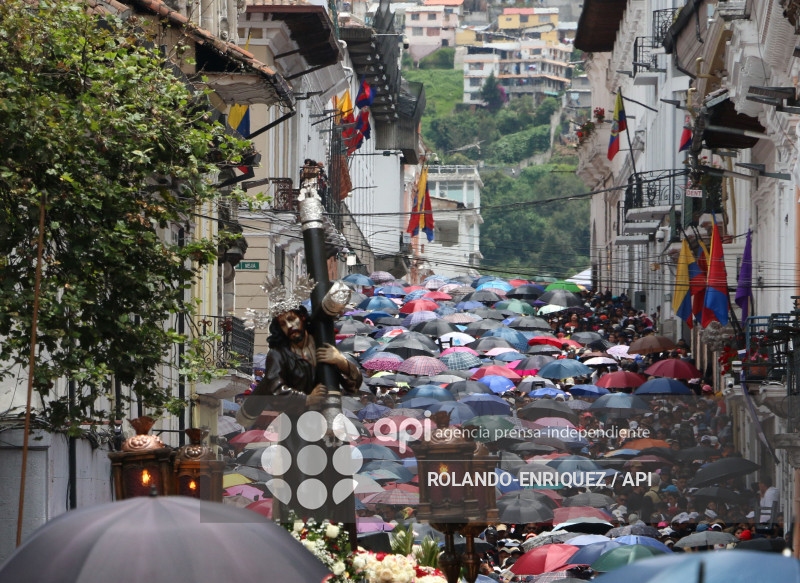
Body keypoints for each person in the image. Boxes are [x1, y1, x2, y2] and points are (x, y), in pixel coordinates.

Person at [237, 304, 362, 428]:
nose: (289, 326)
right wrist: (306, 399)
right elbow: (275, 388)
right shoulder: (278, 354)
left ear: (302, 317)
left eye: (291, 319)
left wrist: (341, 362)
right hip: (297, 426)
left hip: (329, 420)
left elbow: (353, 386)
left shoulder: (322, 344)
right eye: (283, 324)